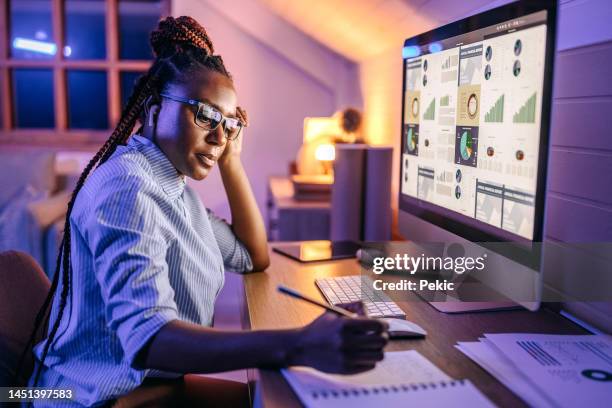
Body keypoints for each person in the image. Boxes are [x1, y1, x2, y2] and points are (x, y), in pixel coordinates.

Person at [20, 16, 388, 407]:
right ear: (155, 108)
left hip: (142, 389)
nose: (218, 136)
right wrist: (299, 343)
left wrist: (232, 161)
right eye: (205, 115)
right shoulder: (127, 187)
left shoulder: (174, 188)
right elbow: (150, 339)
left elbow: (252, 256)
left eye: (229, 124)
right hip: (91, 398)